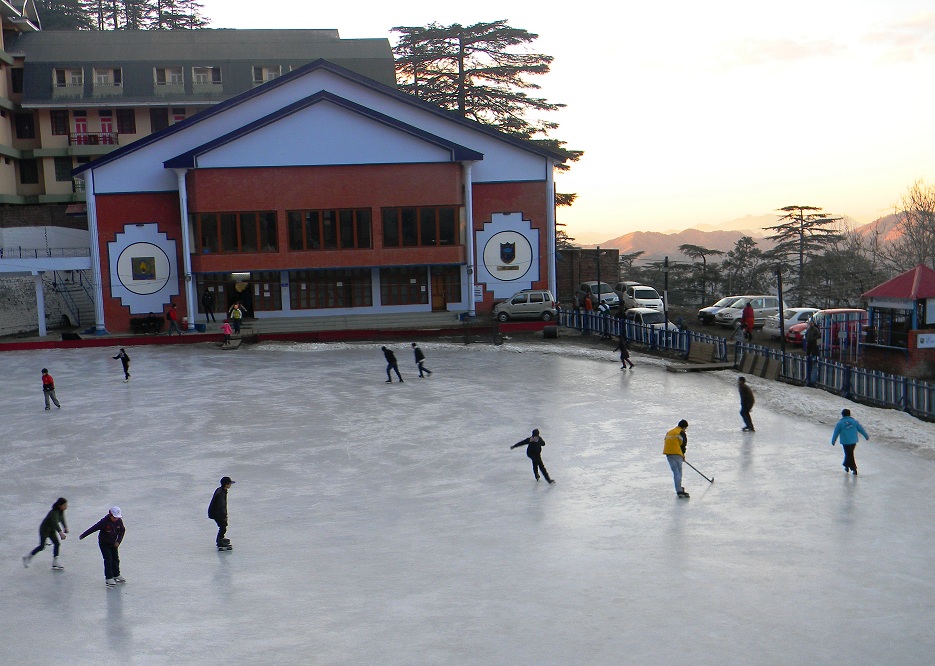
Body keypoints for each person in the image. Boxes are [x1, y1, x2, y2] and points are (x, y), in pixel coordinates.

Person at [79, 506, 126, 587]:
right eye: (114, 517)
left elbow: (122, 530)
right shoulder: (104, 522)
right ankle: (109, 578)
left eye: (117, 517)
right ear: (110, 515)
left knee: (116, 559)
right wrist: (83, 535)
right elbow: (93, 528)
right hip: (104, 544)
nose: (116, 519)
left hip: (114, 543)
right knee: (108, 559)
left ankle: (116, 574)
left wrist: (118, 541)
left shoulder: (119, 521)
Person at [23, 497, 68, 571]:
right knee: (42, 546)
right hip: (44, 530)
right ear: (59, 505)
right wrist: (61, 533)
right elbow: (55, 523)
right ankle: (28, 557)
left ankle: (55, 561)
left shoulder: (61, 511)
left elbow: (62, 519)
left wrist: (65, 527)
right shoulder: (54, 512)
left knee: (57, 544)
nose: (66, 506)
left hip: (51, 531)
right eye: (64, 505)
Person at [831, 408, 870, 475]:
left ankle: (853, 468)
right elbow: (861, 429)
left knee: (849, 454)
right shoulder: (854, 422)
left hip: (845, 442)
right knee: (849, 453)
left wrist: (833, 441)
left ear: (842, 415)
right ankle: (846, 465)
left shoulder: (840, 423)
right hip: (853, 441)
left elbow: (836, 432)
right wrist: (866, 436)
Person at [663, 419, 690, 498]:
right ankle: (679, 490)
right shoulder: (681, 433)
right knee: (678, 471)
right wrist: (682, 455)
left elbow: (667, 441)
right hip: (676, 453)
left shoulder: (670, 432)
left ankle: (678, 488)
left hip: (668, 453)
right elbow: (683, 445)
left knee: (675, 471)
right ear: (684, 427)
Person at [208, 477, 234, 549]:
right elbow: (221, 506)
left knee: (223, 526)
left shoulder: (221, 490)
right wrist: (224, 516)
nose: (230, 485)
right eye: (229, 484)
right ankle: (220, 541)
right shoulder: (221, 494)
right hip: (216, 513)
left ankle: (221, 539)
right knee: (223, 526)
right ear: (226, 484)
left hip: (215, 512)